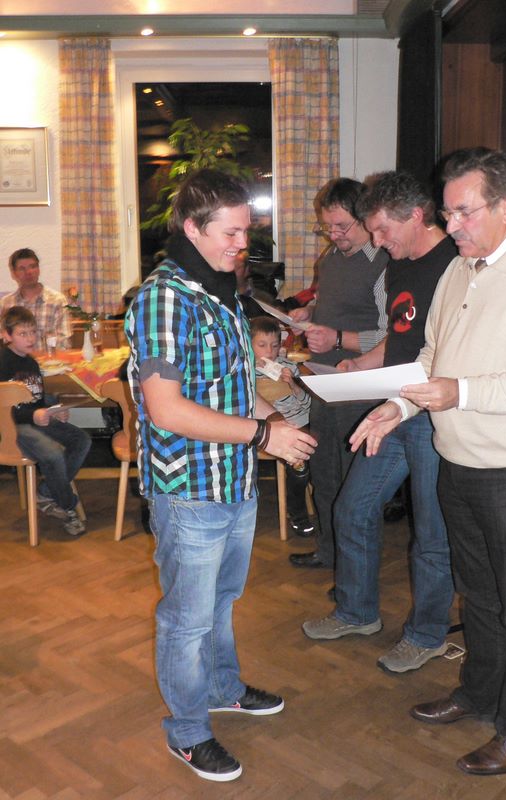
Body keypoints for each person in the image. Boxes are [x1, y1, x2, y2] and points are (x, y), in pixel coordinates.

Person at [349, 148, 506, 776]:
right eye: (447, 213)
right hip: (455, 460)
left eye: (464, 212)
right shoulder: (457, 269)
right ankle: (478, 693)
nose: (452, 226)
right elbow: (431, 357)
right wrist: (399, 405)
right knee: (476, 596)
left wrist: (460, 393)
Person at [125, 169, 317, 784]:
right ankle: (186, 731)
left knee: (222, 602)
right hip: (189, 491)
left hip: (233, 480)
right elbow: (166, 409)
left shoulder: (221, 293)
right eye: (230, 232)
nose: (242, 244)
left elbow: (230, 389)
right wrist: (263, 435)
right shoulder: (163, 299)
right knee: (187, 619)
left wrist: (276, 421)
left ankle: (222, 688)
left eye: (245, 231)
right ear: (192, 228)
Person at [302, 170, 457, 674]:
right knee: (352, 508)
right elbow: (400, 337)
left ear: (416, 216)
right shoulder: (399, 265)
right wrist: (360, 365)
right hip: (394, 406)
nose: (379, 241)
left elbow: (449, 349)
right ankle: (357, 613)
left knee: (431, 534)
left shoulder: (454, 264)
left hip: (432, 415)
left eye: (384, 230)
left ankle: (427, 636)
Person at [288, 177, 389, 570]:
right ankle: (329, 553)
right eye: (327, 226)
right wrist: (309, 312)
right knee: (324, 475)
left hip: (361, 390)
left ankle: (354, 571)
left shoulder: (383, 263)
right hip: (324, 382)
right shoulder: (331, 257)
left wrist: (339, 337)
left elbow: (391, 335)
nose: (333, 235)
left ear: (365, 218)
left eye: (341, 226)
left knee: (354, 485)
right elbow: (329, 302)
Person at [0, 306, 89, 536]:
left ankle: (46, 493)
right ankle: (68, 506)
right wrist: (33, 415)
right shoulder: (3, 362)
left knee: (82, 439)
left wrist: (52, 411)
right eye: (23, 333)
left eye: (33, 332)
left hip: (34, 421)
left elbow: (36, 399)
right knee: (53, 454)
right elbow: (6, 408)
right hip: (13, 427)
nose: (30, 338)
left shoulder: (31, 363)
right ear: (7, 335)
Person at [250, 315, 313, 535]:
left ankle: (301, 506)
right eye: (262, 345)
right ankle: (296, 513)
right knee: (299, 459)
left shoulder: (289, 367)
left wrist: (294, 385)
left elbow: (307, 404)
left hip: (298, 423)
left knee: (307, 459)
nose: (269, 352)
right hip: (265, 430)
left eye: (275, 345)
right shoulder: (244, 370)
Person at [0, 249, 71, 351]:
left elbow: (64, 341)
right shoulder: (6, 303)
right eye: (22, 269)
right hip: (17, 360)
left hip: (49, 360)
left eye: (32, 266)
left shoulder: (57, 300)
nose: (28, 272)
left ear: (38, 269)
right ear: (14, 273)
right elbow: (3, 338)